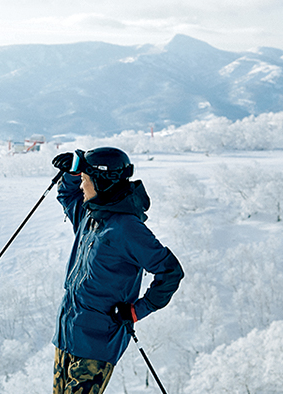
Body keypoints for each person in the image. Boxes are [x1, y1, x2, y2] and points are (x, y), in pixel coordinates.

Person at [50, 147, 184, 394]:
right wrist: (74, 169)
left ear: (101, 182)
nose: (81, 186)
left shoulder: (127, 229)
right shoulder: (89, 215)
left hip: (97, 344)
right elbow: (66, 195)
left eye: (86, 180)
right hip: (67, 335)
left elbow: (170, 272)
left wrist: (135, 311)